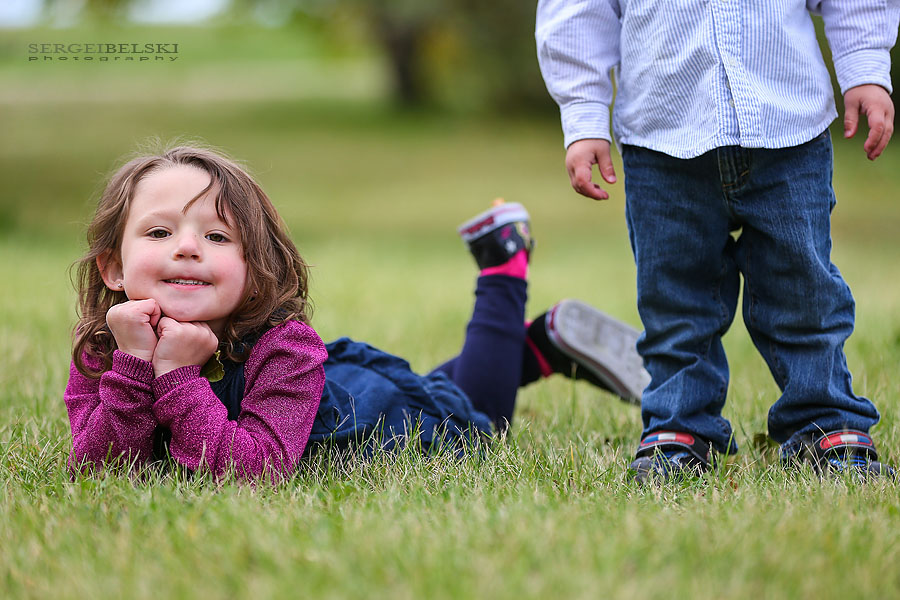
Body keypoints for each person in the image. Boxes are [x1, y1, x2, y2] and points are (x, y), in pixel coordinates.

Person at [64, 145, 648, 481]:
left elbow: (252, 473)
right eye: (160, 232)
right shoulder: (104, 351)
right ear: (113, 267)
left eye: (217, 236)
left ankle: (504, 265)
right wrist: (136, 366)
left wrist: (178, 377)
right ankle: (540, 346)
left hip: (394, 421)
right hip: (342, 397)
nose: (188, 247)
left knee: (477, 421)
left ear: (255, 267)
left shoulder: (283, 348)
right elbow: (99, 472)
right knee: (449, 388)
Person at [535, 0, 898, 481]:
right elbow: (578, 9)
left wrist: (865, 67)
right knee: (675, 302)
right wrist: (583, 112)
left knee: (805, 293)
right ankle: (679, 425)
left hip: (787, 124)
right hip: (662, 136)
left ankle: (825, 420)